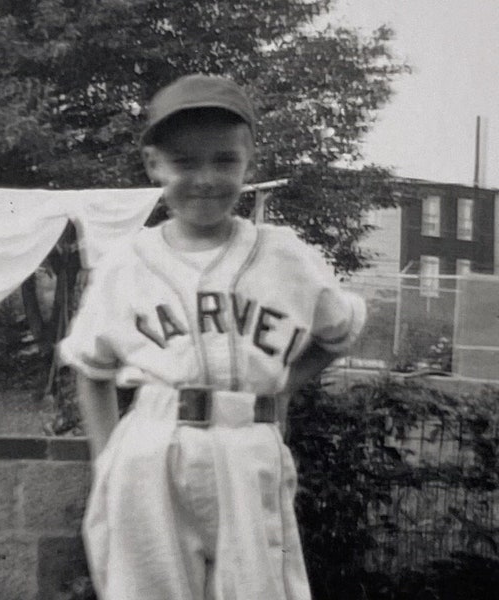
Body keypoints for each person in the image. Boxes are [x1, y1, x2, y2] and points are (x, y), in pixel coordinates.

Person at [59, 74, 366, 600]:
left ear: (250, 162)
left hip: (247, 447)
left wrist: (284, 385)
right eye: (184, 162)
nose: (205, 178)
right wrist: (107, 460)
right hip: (151, 447)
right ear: (154, 163)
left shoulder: (283, 254)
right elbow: (92, 368)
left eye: (224, 160)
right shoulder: (126, 263)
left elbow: (339, 331)